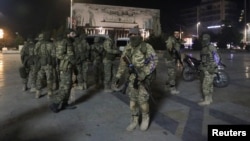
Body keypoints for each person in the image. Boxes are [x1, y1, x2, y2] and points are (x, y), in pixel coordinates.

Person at [113, 27, 158, 131]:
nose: (133, 37)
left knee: (143, 102)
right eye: (131, 35)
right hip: (132, 79)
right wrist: (118, 77)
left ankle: (146, 118)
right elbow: (122, 63)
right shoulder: (128, 48)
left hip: (143, 79)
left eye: (135, 34)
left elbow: (154, 60)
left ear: (139, 35)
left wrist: (144, 73)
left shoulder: (146, 46)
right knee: (132, 102)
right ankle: (134, 120)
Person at [49, 29, 77, 113]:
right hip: (65, 67)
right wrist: (70, 58)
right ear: (68, 34)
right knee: (65, 87)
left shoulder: (69, 41)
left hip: (69, 66)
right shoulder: (64, 41)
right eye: (73, 33)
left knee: (68, 86)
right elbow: (58, 54)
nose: (74, 35)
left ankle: (65, 103)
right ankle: (55, 104)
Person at [198, 34, 219, 106]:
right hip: (206, 69)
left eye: (205, 39)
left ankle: (206, 100)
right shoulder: (206, 47)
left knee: (206, 85)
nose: (204, 40)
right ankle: (209, 98)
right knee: (210, 85)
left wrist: (213, 67)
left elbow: (217, 58)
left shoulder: (210, 47)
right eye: (203, 38)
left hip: (209, 69)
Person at [34, 33, 56, 99]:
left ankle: (38, 92)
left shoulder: (38, 44)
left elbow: (35, 53)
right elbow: (54, 54)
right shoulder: (51, 44)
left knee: (39, 78)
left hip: (40, 63)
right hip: (48, 64)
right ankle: (49, 92)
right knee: (49, 78)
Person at [163, 31, 182, 95]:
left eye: (178, 33)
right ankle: (172, 89)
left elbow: (178, 51)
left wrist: (179, 60)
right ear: (173, 34)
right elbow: (169, 47)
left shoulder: (177, 40)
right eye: (175, 33)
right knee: (172, 74)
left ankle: (166, 86)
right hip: (170, 59)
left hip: (173, 59)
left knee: (170, 73)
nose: (177, 34)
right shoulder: (171, 39)